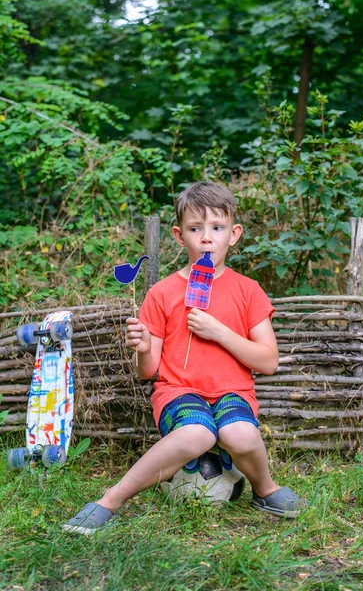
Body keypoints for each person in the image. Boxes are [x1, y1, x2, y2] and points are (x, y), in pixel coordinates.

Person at [63, 181, 305, 535]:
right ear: (179, 235)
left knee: (239, 433)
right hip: (178, 392)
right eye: (195, 228)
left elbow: (268, 361)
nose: (207, 238)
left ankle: (265, 489)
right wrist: (144, 347)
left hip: (233, 392)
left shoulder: (248, 290)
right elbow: (147, 372)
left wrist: (218, 331)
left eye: (217, 228)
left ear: (233, 234)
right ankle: (110, 500)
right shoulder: (162, 294)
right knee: (197, 434)